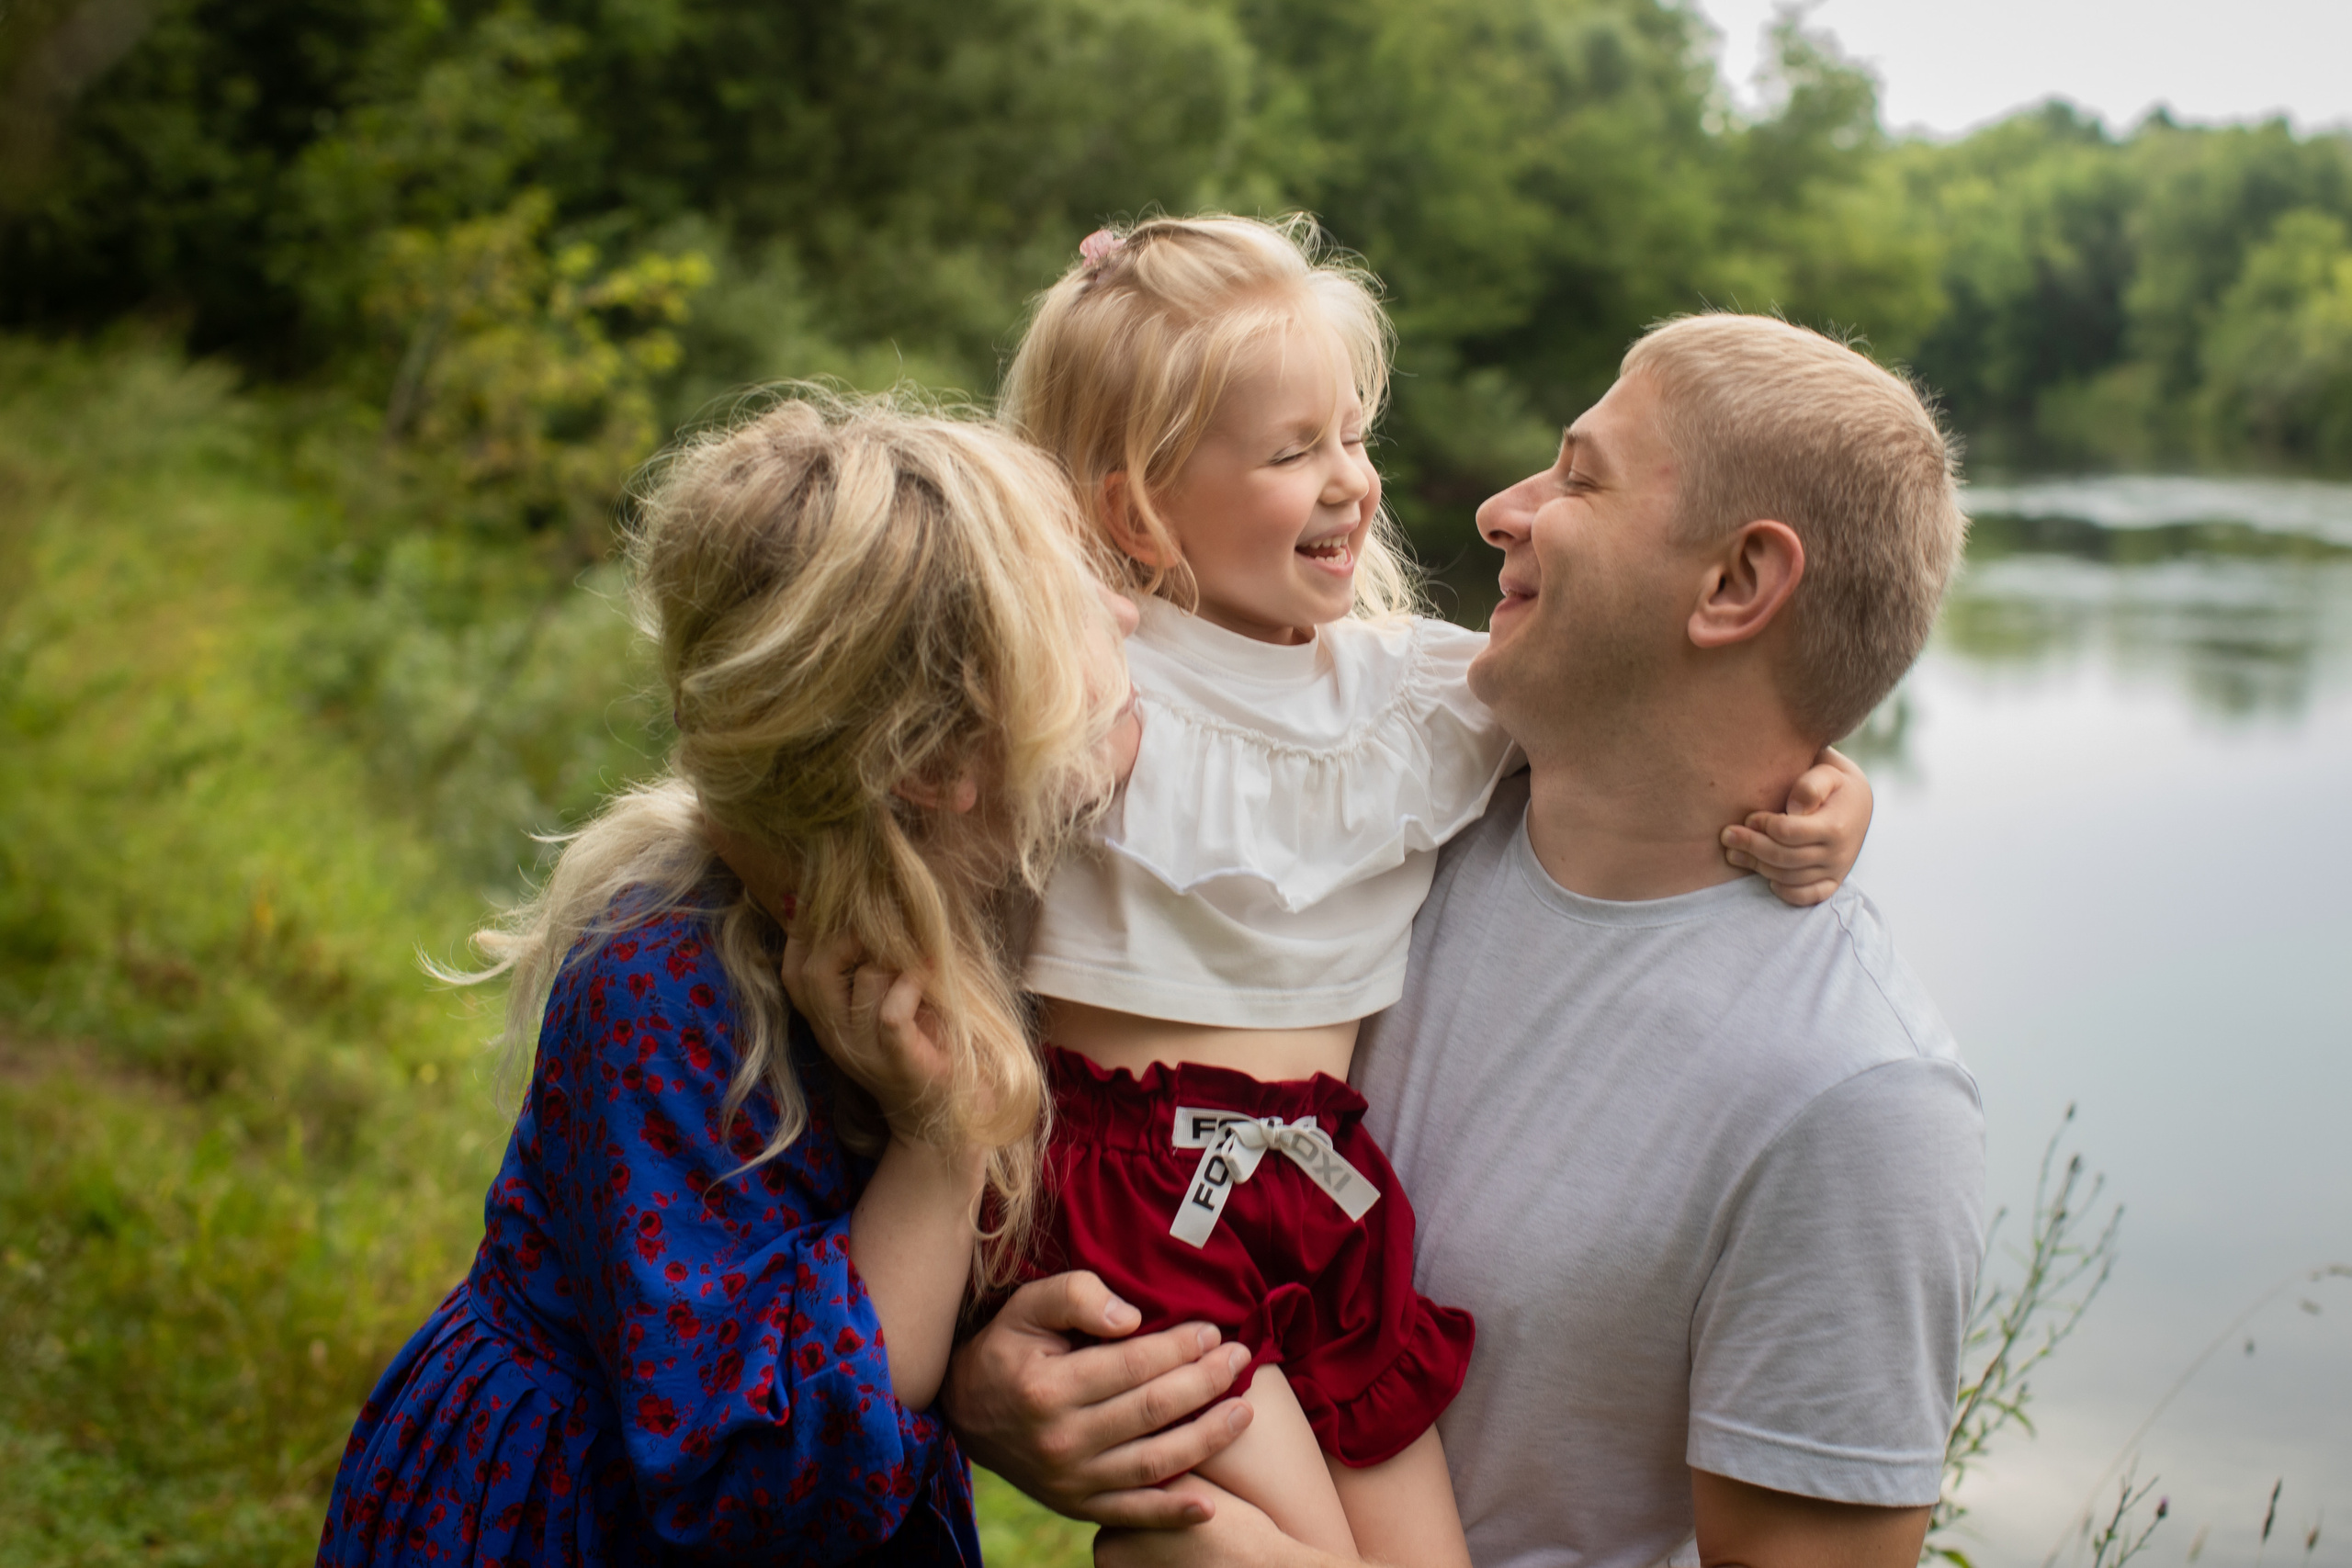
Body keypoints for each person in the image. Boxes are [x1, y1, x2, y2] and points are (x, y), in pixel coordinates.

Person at [948, 313, 1986, 1568]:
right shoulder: (1377, 820)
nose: (1501, 507)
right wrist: (993, 1392)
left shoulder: (1854, 1097)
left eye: (1580, 475)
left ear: (1735, 584)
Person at [314, 394, 1137, 1565]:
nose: (1124, 612)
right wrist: (941, 1139)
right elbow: (772, 1485)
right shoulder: (660, 983)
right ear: (938, 765)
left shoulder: (961, 888)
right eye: (1069, 617)